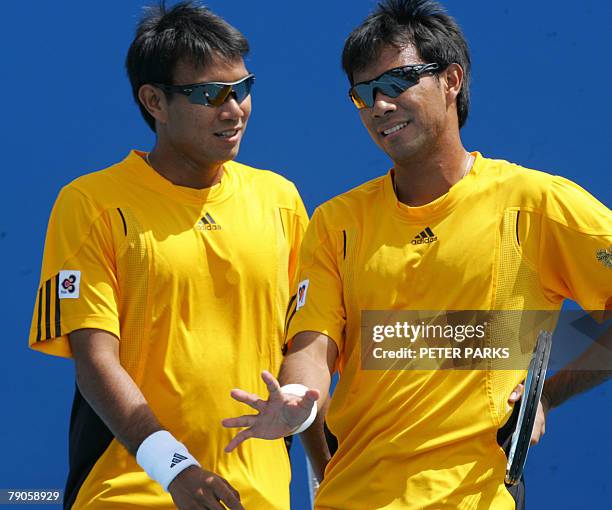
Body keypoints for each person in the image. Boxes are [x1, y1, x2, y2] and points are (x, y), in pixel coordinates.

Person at [221, 0, 612, 508]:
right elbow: (313, 348)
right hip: (351, 496)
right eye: (363, 93)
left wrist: (546, 393)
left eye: (397, 82)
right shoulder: (338, 222)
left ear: (452, 80)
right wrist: (301, 400)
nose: (378, 105)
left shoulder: (535, 203)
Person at [28, 2, 307, 509]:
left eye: (243, 88)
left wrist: (321, 462)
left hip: (259, 497)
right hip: (128, 493)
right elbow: (94, 360)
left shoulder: (281, 200)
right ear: (154, 101)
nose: (233, 108)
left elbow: (306, 344)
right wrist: (174, 467)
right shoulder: (90, 203)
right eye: (209, 94)